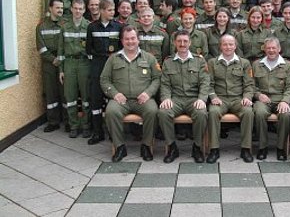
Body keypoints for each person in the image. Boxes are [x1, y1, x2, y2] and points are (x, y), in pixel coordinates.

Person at [100, 26, 161, 162]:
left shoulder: (149, 58)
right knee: (111, 112)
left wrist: (148, 93)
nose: (130, 41)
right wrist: (115, 94)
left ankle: (146, 146)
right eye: (127, 39)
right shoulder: (114, 59)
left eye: (133, 38)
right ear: (122, 41)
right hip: (121, 100)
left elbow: (157, 78)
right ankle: (120, 147)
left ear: (138, 40)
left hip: (143, 100)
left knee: (152, 111)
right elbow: (104, 80)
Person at [158, 30, 209, 163]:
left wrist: (202, 99)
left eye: (185, 41)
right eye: (179, 41)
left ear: (190, 43)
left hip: (193, 99)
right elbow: (165, 84)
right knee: (163, 112)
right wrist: (166, 98)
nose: (182, 44)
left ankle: (197, 147)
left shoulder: (199, 61)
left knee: (201, 113)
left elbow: (205, 82)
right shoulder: (168, 62)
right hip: (175, 99)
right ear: (175, 43)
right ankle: (172, 147)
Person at [207, 34, 255, 163]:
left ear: (235, 46)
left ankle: (246, 149)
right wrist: (213, 97)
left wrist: (247, 97)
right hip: (220, 99)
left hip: (238, 99)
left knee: (248, 112)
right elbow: (208, 84)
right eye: (225, 44)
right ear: (220, 46)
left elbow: (249, 84)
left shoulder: (244, 63)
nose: (228, 47)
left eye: (231, 44)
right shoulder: (212, 62)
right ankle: (214, 149)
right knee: (212, 112)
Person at [86, 0, 123, 145]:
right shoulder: (92, 27)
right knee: (96, 99)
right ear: (101, 11)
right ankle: (97, 132)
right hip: (97, 65)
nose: (112, 13)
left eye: (113, 10)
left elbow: (121, 47)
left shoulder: (119, 27)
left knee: (112, 100)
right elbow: (88, 48)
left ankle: (112, 132)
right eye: (109, 10)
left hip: (113, 66)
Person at [253, 37, 290, 161]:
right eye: (268, 48)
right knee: (259, 112)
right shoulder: (257, 64)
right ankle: (262, 147)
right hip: (263, 99)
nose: (271, 50)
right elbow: (251, 85)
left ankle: (281, 147)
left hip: (281, 99)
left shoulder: (288, 66)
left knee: (286, 114)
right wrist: (258, 95)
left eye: (274, 48)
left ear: (279, 49)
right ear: (264, 49)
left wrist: (285, 101)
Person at [57, 0, 90, 138]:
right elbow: (60, 50)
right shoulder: (64, 27)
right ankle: (74, 126)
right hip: (69, 64)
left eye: (80, 9)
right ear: (71, 9)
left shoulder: (89, 26)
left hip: (84, 63)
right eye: (75, 8)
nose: (78, 11)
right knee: (70, 97)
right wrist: (61, 70)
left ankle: (86, 125)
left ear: (84, 10)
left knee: (86, 97)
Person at [36, 0, 66, 132]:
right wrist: (54, 60)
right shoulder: (41, 26)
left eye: (61, 8)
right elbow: (41, 48)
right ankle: (53, 121)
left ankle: (68, 121)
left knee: (65, 92)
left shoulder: (65, 24)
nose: (60, 10)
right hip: (49, 64)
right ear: (50, 8)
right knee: (51, 93)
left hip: (64, 62)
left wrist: (60, 60)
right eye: (57, 7)